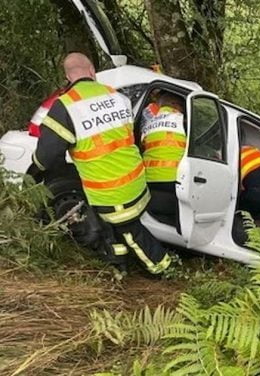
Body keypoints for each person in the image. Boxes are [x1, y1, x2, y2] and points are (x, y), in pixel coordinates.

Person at [29, 53, 170, 275]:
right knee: (110, 228)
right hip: (137, 182)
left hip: (111, 191)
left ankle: (163, 268)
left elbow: (47, 156)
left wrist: (35, 169)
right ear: (92, 72)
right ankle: (119, 267)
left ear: (67, 76)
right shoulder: (117, 97)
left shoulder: (65, 107)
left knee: (131, 233)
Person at [140, 92, 186, 220]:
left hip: (149, 180)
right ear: (175, 104)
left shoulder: (148, 123)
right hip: (174, 179)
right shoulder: (182, 120)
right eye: (181, 105)